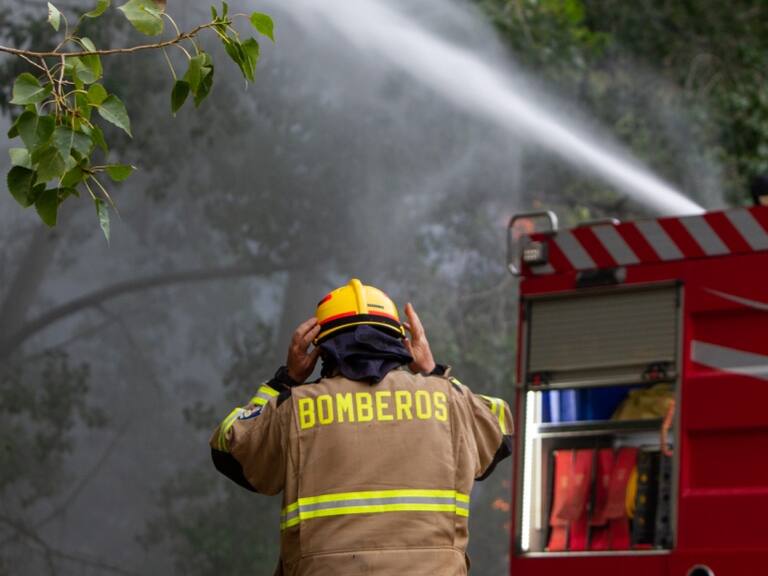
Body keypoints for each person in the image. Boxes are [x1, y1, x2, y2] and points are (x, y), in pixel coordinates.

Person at [210, 279, 513, 575]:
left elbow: (229, 446)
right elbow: (500, 429)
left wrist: (285, 380)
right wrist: (433, 372)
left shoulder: (295, 407)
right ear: (400, 344)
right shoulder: (449, 400)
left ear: (322, 350)